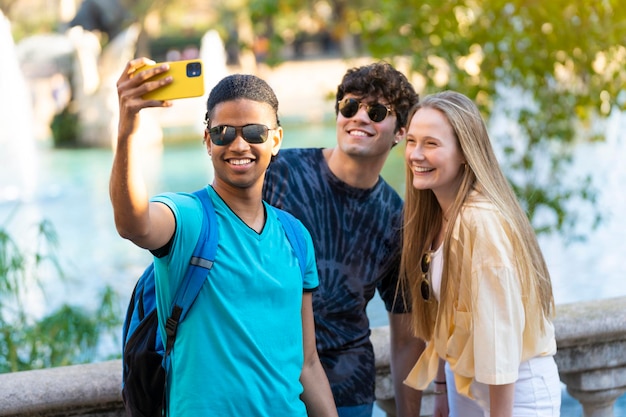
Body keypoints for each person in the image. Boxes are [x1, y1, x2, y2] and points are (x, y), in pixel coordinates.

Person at [110, 58, 338, 417]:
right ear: (207, 141)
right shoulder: (189, 219)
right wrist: (127, 130)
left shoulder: (296, 236)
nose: (238, 145)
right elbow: (133, 223)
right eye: (223, 133)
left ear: (276, 139)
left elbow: (308, 363)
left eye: (254, 133)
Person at [263, 61, 425, 417]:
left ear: (400, 131)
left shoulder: (398, 221)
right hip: (267, 382)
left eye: (377, 111)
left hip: (347, 391)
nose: (360, 118)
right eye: (350, 106)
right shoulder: (277, 172)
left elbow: (406, 337)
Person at [400, 90, 561, 416]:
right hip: (466, 388)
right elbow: (449, 316)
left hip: (514, 397)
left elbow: (500, 338)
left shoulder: (480, 221)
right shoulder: (438, 215)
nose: (416, 154)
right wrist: (444, 391)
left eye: (431, 143)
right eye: (412, 141)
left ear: (464, 152)